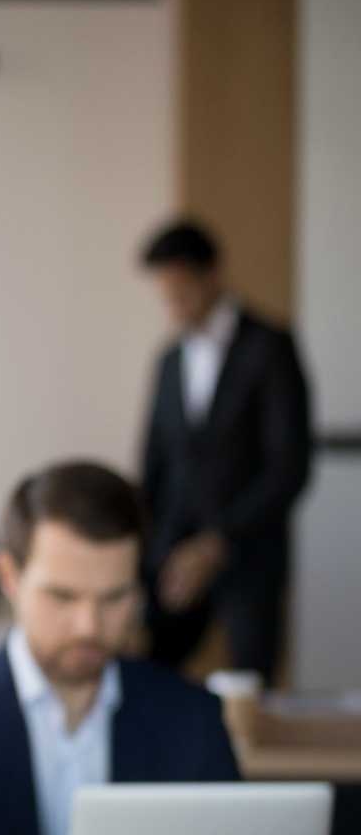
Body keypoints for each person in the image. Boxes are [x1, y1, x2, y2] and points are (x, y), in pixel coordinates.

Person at [0, 461, 241, 835]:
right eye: (63, 597)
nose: (89, 626)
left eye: (115, 598)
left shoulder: (195, 721)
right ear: (8, 577)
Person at [136, 219, 313, 683]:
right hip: (172, 557)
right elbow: (154, 465)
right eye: (164, 294)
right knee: (147, 677)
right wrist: (147, 550)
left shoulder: (270, 348)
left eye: (181, 290)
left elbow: (289, 467)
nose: (172, 304)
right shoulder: (169, 360)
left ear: (211, 274)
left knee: (249, 688)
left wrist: (217, 542)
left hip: (247, 554)